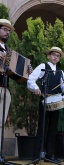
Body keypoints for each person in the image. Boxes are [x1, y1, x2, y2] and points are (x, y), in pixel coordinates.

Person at [27, 46, 64, 163]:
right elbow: (30, 80)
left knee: (52, 129)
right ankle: (36, 155)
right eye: (54, 54)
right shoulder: (42, 66)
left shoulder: (61, 72)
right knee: (42, 128)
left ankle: (50, 155)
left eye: (58, 55)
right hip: (45, 100)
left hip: (56, 103)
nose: (56, 57)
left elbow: (62, 88)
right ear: (49, 56)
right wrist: (36, 88)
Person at [0, 19, 15, 149]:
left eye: (9, 31)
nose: (7, 32)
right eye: (5, 29)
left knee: (1, 123)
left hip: (5, 89)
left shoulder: (10, 51)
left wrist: (26, 72)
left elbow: (15, 73)